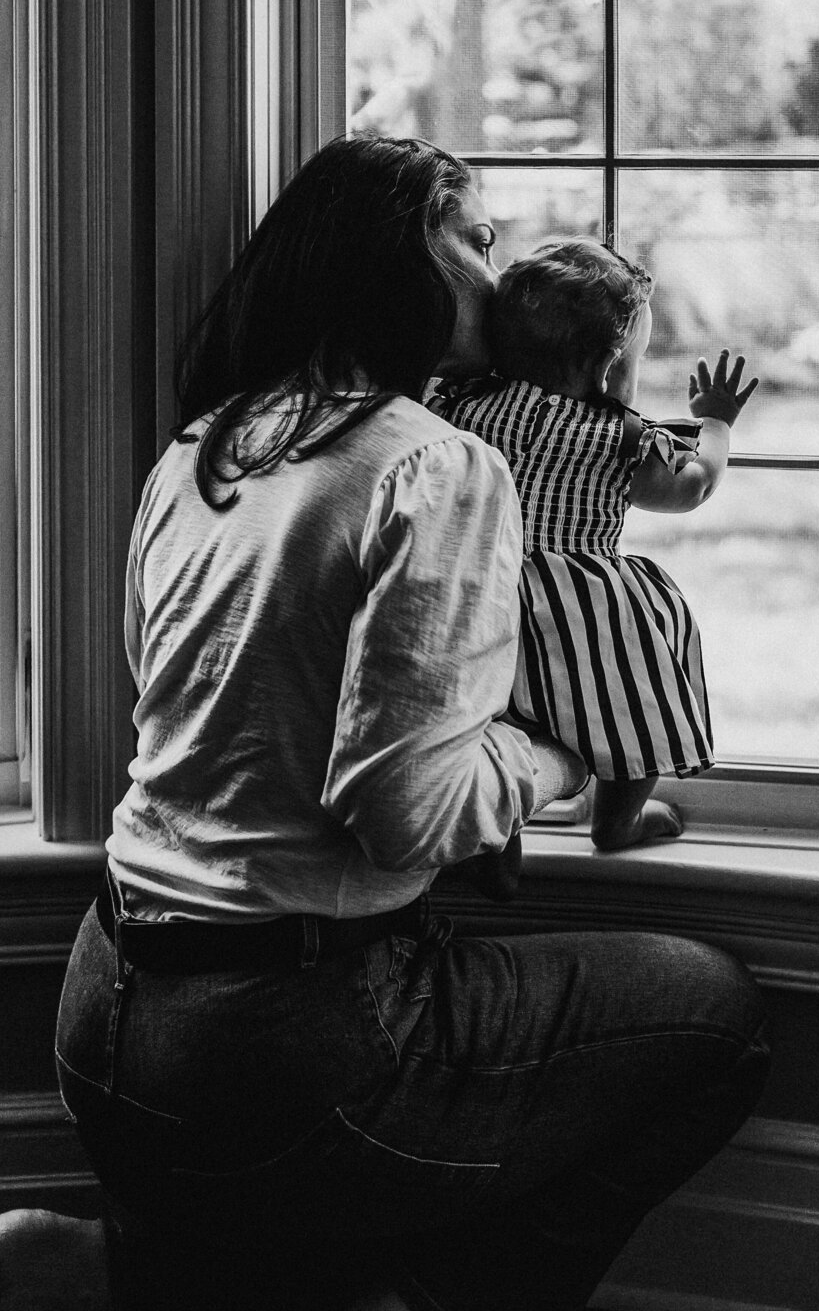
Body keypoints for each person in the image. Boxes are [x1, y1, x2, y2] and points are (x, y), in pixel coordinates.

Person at [53, 137, 769, 1311]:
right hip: (279, 1046)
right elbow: (402, 812)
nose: (502, 276)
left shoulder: (210, 443)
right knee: (718, 1017)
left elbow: (168, 700)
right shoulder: (438, 463)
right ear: (401, 257)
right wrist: (567, 751)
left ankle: (140, 1267)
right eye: (477, 242)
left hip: (105, 1008)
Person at [433, 238, 757, 871]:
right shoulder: (619, 440)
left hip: (480, 593)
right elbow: (691, 486)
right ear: (609, 375)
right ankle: (618, 821)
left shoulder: (460, 410)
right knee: (636, 702)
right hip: (584, 609)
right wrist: (715, 424)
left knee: (494, 719)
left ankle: (498, 828)